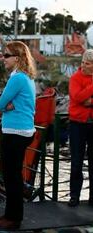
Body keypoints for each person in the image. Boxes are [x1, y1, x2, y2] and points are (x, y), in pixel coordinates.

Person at [0, 41, 36, 230]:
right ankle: (10, 214)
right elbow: (5, 104)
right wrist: (7, 105)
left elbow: (1, 104)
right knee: (12, 176)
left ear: (17, 58)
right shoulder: (26, 77)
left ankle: (14, 218)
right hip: (21, 131)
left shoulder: (17, 78)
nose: (3, 58)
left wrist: (6, 106)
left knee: (11, 177)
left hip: (15, 133)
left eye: (6, 55)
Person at [67, 49, 93, 207]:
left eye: (88, 63)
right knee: (76, 162)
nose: (83, 65)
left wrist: (88, 100)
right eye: (83, 62)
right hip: (77, 124)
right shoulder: (75, 78)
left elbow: (84, 100)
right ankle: (74, 196)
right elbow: (77, 98)